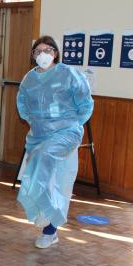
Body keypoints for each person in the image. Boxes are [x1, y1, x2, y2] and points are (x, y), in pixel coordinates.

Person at [17, 35, 94, 248]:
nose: (44, 54)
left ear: (56, 53)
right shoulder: (29, 80)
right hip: (39, 137)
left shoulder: (69, 74)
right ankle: (46, 220)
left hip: (65, 136)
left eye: (48, 50)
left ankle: (50, 230)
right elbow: (23, 107)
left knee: (61, 182)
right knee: (38, 180)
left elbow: (85, 104)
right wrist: (38, 123)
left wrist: (70, 126)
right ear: (33, 55)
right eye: (39, 50)